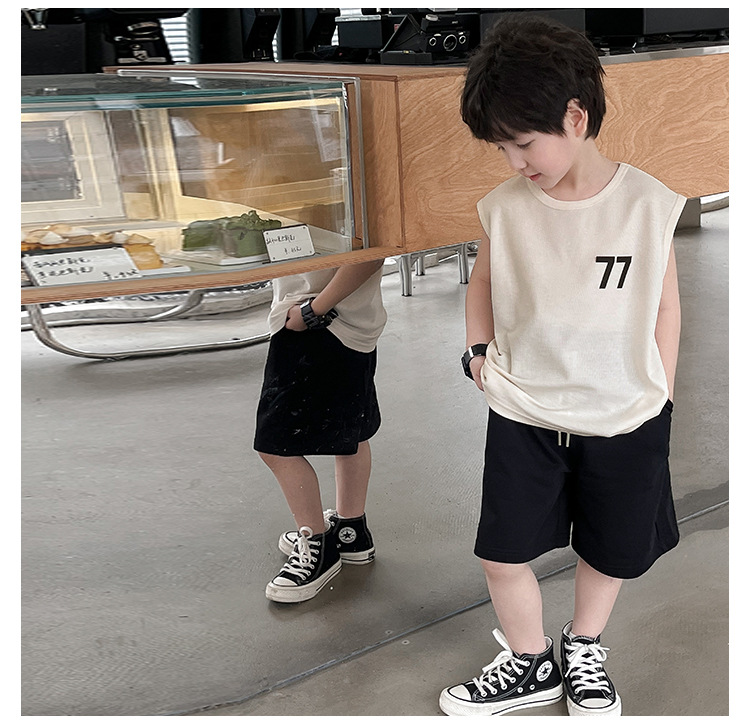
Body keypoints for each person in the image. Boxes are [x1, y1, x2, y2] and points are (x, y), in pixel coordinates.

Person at [440, 14, 686, 717]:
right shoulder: (506, 207)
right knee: (501, 549)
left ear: (575, 117)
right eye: (501, 148)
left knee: (609, 546)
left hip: (625, 411)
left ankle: (583, 645)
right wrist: (477, 351)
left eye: (521, 143)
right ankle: (529, 661)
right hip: (525, 408)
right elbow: (484, 283)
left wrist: (661, 395)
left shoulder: (648, 205)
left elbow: (666, 305)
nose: (514, 162)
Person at [254, 260, 387, 604]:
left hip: (319, 320)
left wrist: (311, 311)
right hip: (350, 321)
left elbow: (370, 256)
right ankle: (350, 531)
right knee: (351, 433)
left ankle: (317, 545)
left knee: (275, 444)